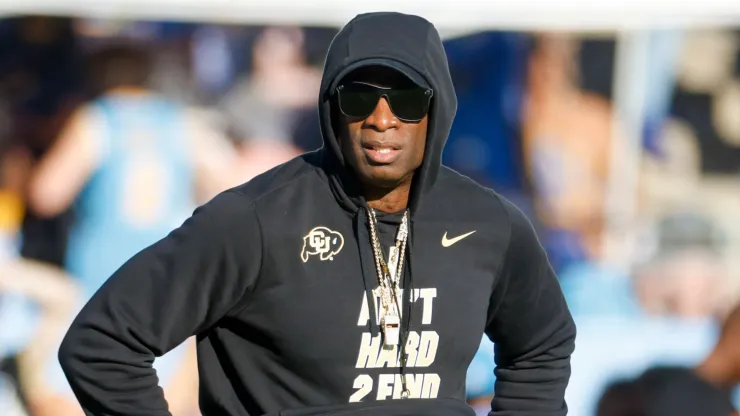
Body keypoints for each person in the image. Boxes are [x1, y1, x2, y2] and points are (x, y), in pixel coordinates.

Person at [58, 12, 576, 416]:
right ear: (331, 105)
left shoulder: (488, 224)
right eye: (358, 97)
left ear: (436, 107)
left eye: (405, 99)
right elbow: (102, 344)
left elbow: (542, 345)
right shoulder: (255, 221)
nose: (381, 119)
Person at [28, 45, 235, 416]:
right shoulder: (181, 120)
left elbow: (47, 193)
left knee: (76, 388)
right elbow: (229, 184)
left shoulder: (96, 119)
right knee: (164, 395)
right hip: (169, 273)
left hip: (100, 274)